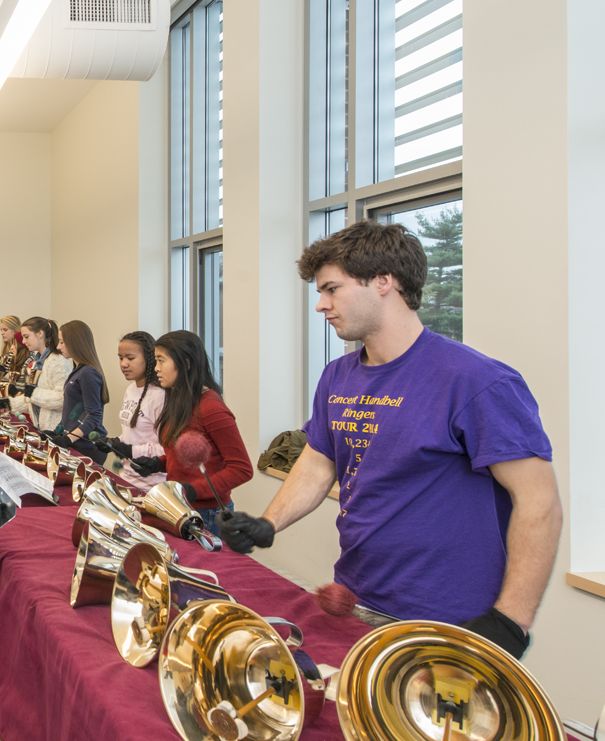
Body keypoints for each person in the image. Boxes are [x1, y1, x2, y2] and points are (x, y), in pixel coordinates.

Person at [218, 220, 560, 658]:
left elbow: (539, 502)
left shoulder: (475, 381)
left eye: (331, 289)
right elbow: (321, 462)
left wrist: (511, 621)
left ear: (384, 281)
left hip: (451, 618)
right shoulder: (337, 376)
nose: (321, 305)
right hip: (358, 599)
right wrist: (269, 523)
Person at [153, 330, 253, 536]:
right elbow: (190, 457)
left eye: (161, 361)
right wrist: (158, 463)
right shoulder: (179, 400)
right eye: (156, 361)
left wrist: (195, 489)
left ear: (186, 363)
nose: (156, 368)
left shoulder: (211, 408)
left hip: (207, 513)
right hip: (181, 505)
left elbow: (242, 468)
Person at [106, 331, 168, 489]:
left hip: (151, 485)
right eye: (120, 358)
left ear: (149, 359)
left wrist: (130, 450)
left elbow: (166, 449)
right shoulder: (131, 390)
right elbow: (133, 433)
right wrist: (115, 442)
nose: (123, 364)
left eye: (130, 358)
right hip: (127, 479)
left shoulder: (160, 396)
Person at [51, 320, 109, 464]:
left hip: (86, 446)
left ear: (75, 343)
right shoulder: (77, 370)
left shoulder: (88, 373)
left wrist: (69, 437)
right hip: (76, 443)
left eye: (62, 342)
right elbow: (72, 410)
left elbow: (94, 415)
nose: (58, 347)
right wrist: (57, 432)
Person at [8, 317, 70, 430]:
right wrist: (10, 404)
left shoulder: (58, 362)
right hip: (41, 428)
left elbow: (63, 399)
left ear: (40, 334)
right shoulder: (37, 362)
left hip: (56, 430)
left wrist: (34, 393)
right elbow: (33, 400)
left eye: (26, 337)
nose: (23, 341)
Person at [0, 315, 29, 384]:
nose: (2, 333)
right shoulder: (8, 352)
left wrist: (3, 374)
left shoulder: (24, 352)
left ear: (15, 330)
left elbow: (19, 377)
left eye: (5, 330)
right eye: (1, 330)